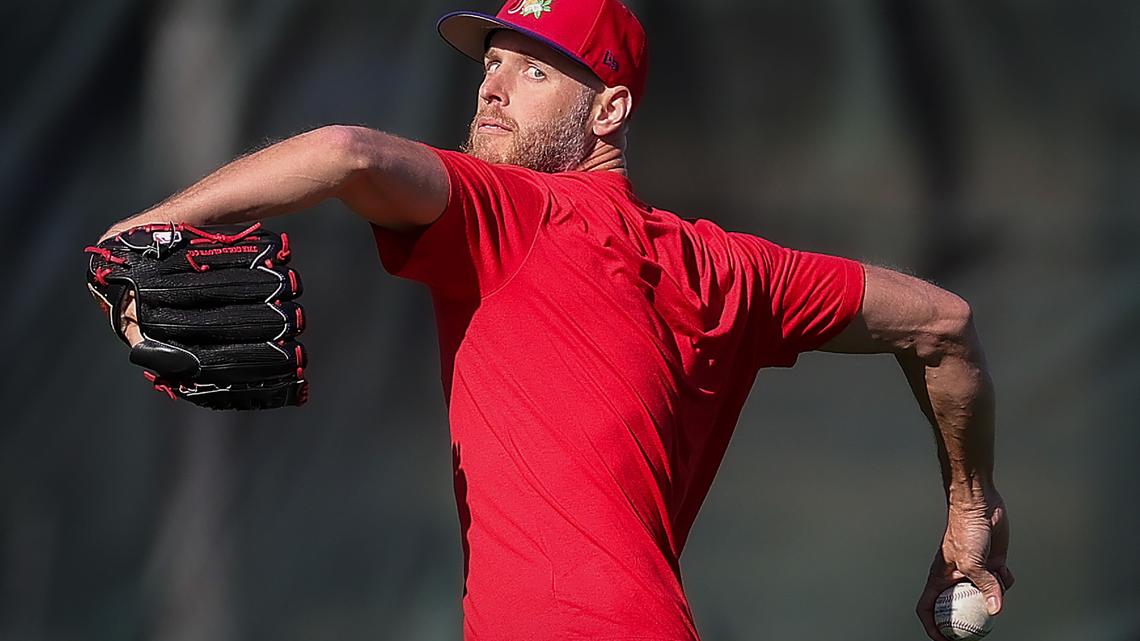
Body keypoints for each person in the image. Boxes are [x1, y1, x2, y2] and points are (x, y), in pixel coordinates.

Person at [97, 1, 1013, 639]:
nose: (491, 89)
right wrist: (974, 511)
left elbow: (346, 151)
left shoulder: (521, 211)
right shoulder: (733, 268)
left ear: (609, 110)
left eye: (532, 72)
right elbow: (941, 321)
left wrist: (154, 225)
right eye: (491, 65)